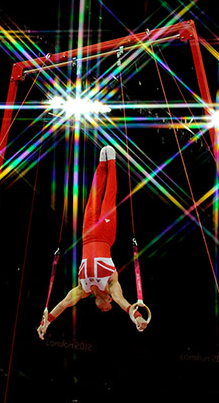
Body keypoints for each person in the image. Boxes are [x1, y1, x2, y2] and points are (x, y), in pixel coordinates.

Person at [37, 145, 148, 339]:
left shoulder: (82, 290)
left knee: (93, 197)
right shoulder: (112, 285)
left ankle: (101, 164)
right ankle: (111, 162)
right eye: (109, 308)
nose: (108, 307)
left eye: (104, 310)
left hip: (87, 236)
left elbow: (63, 304)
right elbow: (124, 303)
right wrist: (137, 317)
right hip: (105, 235)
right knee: (109, 197)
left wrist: (46, 322)